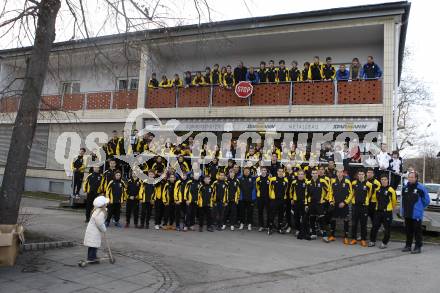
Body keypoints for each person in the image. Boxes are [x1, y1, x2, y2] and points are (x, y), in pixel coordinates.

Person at [400, 172, 430, 254]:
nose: (410, 179)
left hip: (416, 214)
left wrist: (419, 208)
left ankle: (418, 247)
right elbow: (403, 200)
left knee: (417, 231)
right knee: (408, 230)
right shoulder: (405, 188)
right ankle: (408, 245)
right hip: (407, 213)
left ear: (416, 178)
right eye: (409, 177)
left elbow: (427, 201)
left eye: (412, 177)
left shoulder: (421, 188)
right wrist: (402, 211)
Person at [369, 175, 397, 249]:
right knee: (374, 226)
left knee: (387, 228)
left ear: (388, 180)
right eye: (382, 179)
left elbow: (394, 201)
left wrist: (390, 208)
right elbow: (374, 199)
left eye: (385, 179)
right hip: (378, 211)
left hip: (387, 212)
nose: (383, 181)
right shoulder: (377, 189)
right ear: (380, 180)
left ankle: (384, 243)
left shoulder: (391, 190)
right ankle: (372, 241)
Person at [328, 169, 353, 244]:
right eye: (338, 172)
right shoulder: (333, 181)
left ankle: (345, 237)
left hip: (344, 204)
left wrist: (345, 202)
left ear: (343, 173)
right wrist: (331, 201)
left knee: (346, 220)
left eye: (341, 172)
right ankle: (332, 236)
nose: (339, 173)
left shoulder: (347, 181)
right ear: (336, 173)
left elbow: (351, 193)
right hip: (335, 204)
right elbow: (330, 192)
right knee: (333, 220)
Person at [306, 169, 331, 240]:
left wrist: (325, 199)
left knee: (322, 219)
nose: (314, 174)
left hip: (320, 204)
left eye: (316, 173)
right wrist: (307, 204)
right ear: (311, 174)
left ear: (318, 174)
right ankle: (314, 234)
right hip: (311, 204)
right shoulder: (308, 182)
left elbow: (329, 190)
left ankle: (325, 235)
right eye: (313, 173)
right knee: (312, 218)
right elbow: (306, 194)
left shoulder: (322, 181)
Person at [83, 195, 109, 263]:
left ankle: (91, 256)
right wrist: (104, 229)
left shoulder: (96, 210)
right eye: (105, 203)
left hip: (92, 231)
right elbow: (99, 223)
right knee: (94, 245)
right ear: (103, 205)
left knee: (92, 245)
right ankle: (92, 258)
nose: (107, 204)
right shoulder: (100, 213)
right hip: (94, 232)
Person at [351, 169, 373, 247]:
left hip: (364, 207)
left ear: (364, 175)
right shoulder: (354, 183)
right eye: (359, 174)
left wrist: (365, 201)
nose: (360, 176)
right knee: (354, 223)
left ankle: (363, 239)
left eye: (362, 174)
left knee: (363, 224)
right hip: (355, 206)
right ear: (358, 175)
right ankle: (354, 238)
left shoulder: (369, 184)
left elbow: (369, 195)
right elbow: (352, 194)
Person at [267, 167, 288, 235]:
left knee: (281, 215)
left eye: (282, 171)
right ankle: (270, 228)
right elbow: (270, 189)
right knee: (272, 214)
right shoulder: (272, 179)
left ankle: (279, 228)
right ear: (277, 172)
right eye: (279, 171)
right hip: (274, 200)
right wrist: (271, 197)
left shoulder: (286, 180)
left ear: (283, 172)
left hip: (282, 200)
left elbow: (286, 190)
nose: (281, 172)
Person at [291, 170, 309, 240]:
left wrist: (307, 203)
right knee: (296, 217)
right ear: (297, 175)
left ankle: (304, 231)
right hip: (296, 202)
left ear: (304, 175)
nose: (300, 175)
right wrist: (292, 199)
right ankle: (298, 230)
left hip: (304, 203)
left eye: (302, 174)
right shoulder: (294, 182)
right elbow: (291, 191)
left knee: (304, 218)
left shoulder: (307, 182)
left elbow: (308, 194)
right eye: (299, 174)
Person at [256, 167, 271, 232]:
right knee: (260, 212)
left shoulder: (269, 178)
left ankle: (268, 226)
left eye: (265, 170)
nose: (263, 171)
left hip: (267, 198)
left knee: (268, 212)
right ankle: (261, 226)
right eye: (262, 170)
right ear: (261, 171)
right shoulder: (258, 179)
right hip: (260, 198)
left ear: (266, 171)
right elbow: (257, 188)